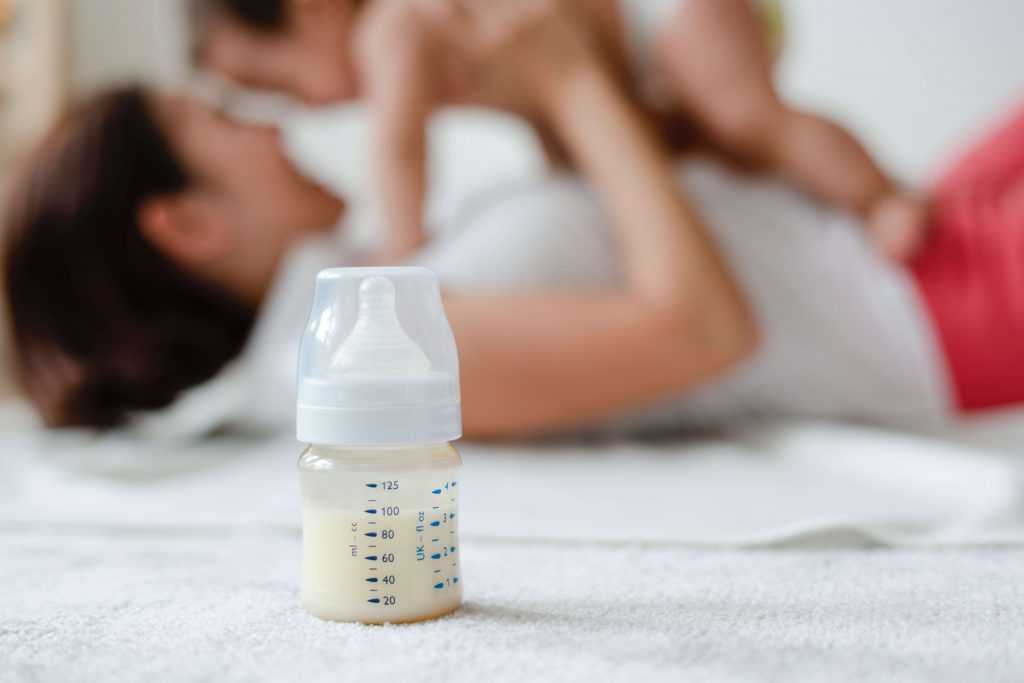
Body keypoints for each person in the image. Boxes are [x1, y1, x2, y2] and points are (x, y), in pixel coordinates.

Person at [2, 0, 1021, 437]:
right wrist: (568, 79)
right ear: (187, 225)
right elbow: (708, 328)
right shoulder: (359, 358)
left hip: (885, 246)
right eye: (227, 121)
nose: (276, 130)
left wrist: (559, 88)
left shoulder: (356, 287)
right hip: (930, 311)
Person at [191, 0, 927, 263]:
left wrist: (402, 246)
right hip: (624, 66)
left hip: (656, 14)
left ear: (314, 8)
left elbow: (400, 148)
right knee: (711, 150)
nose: (299, 110)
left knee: (747, 117)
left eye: (278, 83)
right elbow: (538, 106)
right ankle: (828, 214)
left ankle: (882, 196)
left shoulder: (392, 25)